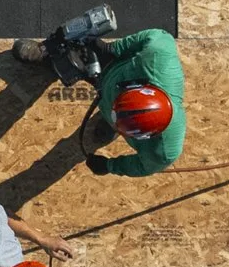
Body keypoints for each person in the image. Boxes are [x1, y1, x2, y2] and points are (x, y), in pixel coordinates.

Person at [71, 29, 185, 178]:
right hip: (118, 67)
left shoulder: (162, 152)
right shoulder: (157, 56)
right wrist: (112, 49)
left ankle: (111, 124)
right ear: (137, 87)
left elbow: (142, 166)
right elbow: (158, 35)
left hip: (116, 87)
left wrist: (110, 166)